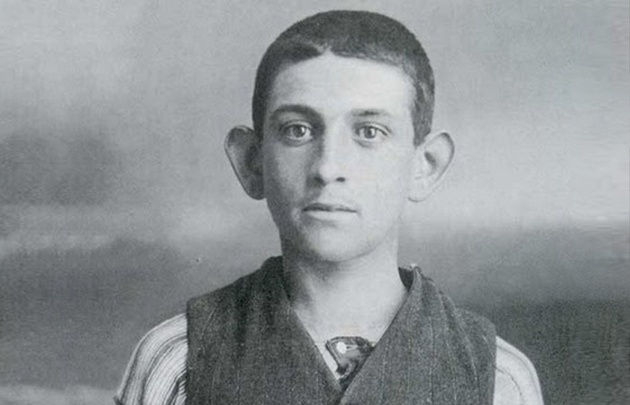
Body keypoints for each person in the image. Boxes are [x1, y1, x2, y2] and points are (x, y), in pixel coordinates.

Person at [115, 10, 543, 405]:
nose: (328, 167)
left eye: (369, 132)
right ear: (251, 162)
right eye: (297, 130)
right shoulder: (177, 361)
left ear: (425, 165)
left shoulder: (496, 379)